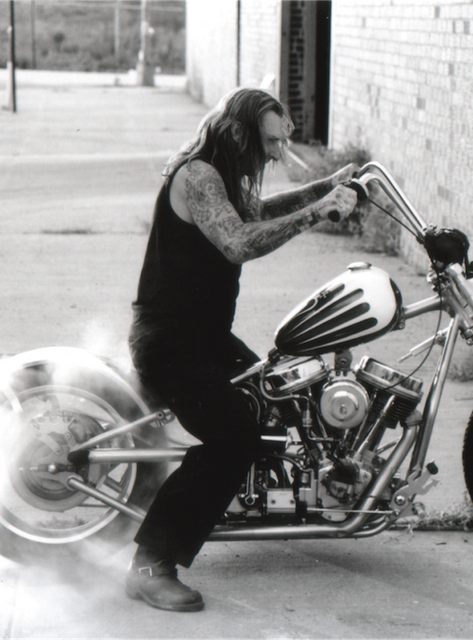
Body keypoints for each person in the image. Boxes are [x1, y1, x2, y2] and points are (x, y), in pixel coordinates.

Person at [124, 88, 358, 612]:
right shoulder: (200, 174)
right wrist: (318, 211)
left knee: (281, 390)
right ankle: (150, 564)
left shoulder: (226, 174)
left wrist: (328, 185)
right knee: (235, 436)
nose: (277, 153)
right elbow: (238, 241)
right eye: (271, 141)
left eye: (282, 141)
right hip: (172, 342)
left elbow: (256, 211)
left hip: (203, 336)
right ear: (239, 133)